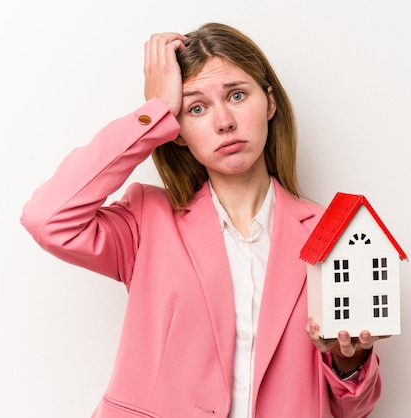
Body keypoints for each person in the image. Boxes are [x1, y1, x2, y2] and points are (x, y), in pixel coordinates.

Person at [21, 22, 385, 418]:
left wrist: (350, 360)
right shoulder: (148, 222)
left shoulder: (328, 234)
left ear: (270, 101)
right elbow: (48, 219)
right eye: (196, 107)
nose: (224, 122)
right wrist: (153, 112)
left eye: (237, 95)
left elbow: (354, 409)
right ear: (177, 131)